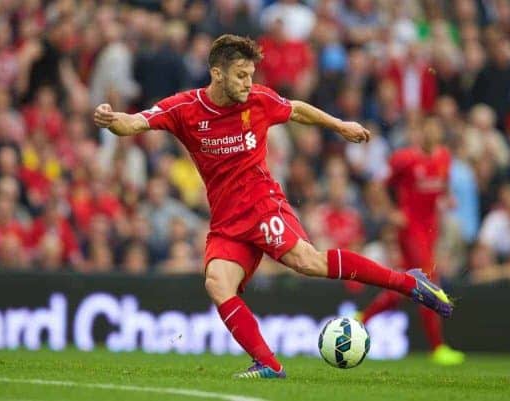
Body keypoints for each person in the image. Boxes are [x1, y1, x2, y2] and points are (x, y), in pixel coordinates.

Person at [93, 34, 454, 379]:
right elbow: (136, 122)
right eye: (240, 75)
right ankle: (269, 365)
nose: (248, 83)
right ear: (216, 73)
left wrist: (340, 125)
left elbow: (296, 109)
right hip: (227, 219)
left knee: (308, 262)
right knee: (218, 283)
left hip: (263, 205)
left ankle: (407, 282)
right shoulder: (185, 108)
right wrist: (112, 120)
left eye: (251, 75)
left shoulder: (259, 100)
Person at [359, 116, 465, 365]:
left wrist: (448, 199)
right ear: (419, 132)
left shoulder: (444, 158)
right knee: (427, 282)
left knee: (407, 285)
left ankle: (363, 317)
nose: (430, 132)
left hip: (431, 230)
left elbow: (442, 187)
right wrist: (390, 212)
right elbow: (377, 185)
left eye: (435, 127)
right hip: (410, 230)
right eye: (426, 127)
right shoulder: (404, 159)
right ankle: (437, 347)